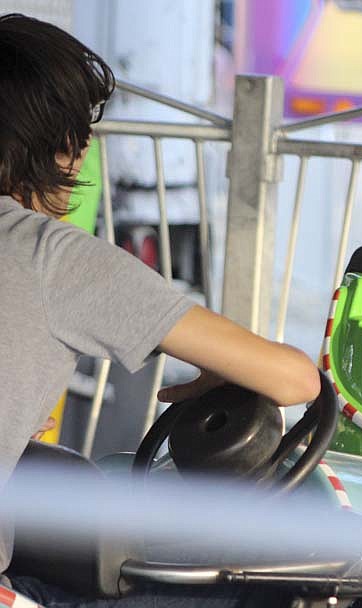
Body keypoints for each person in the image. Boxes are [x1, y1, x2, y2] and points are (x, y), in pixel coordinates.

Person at [0, 13, 319, 607]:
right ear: (56, 148)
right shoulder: (51, 255)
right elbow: (294, 378)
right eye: (77, 131)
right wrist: (225, 371)